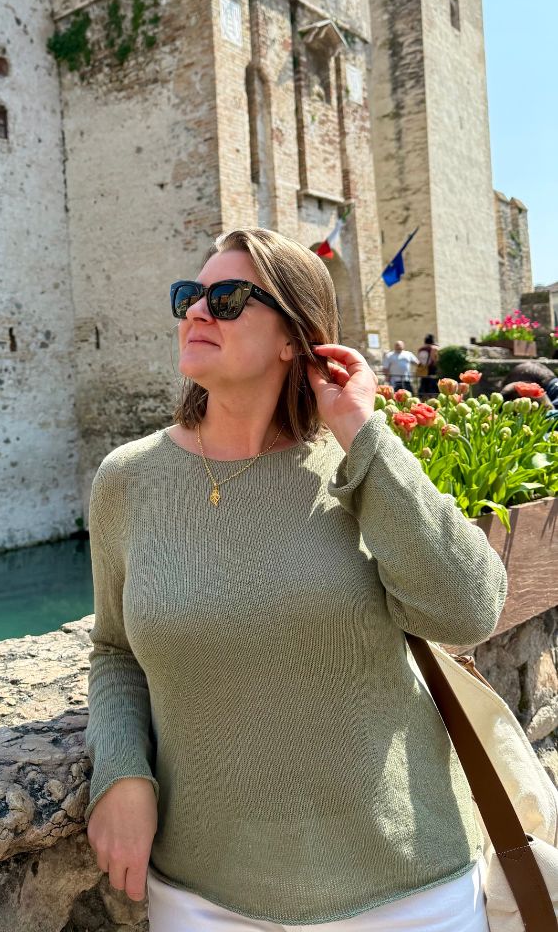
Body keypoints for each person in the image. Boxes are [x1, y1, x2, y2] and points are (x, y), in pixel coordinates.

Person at [84, 227, 506, 931]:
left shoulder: (352, 466)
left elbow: (469, 610)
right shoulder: (127, 480)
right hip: (201, 895)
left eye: (227, 298)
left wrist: (361, 430)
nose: (196, 311)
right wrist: (122, 772)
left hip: (405, 891)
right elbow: (116, 651)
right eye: (190, 296)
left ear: (294, 338)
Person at [416, 333, 440, 397]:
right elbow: (434, 359)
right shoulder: (434, 348)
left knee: (423, 385)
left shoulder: (421, 349)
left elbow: (419, 360)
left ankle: (423, 399)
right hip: (432, 369)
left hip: (424, 370)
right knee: (432, 386)